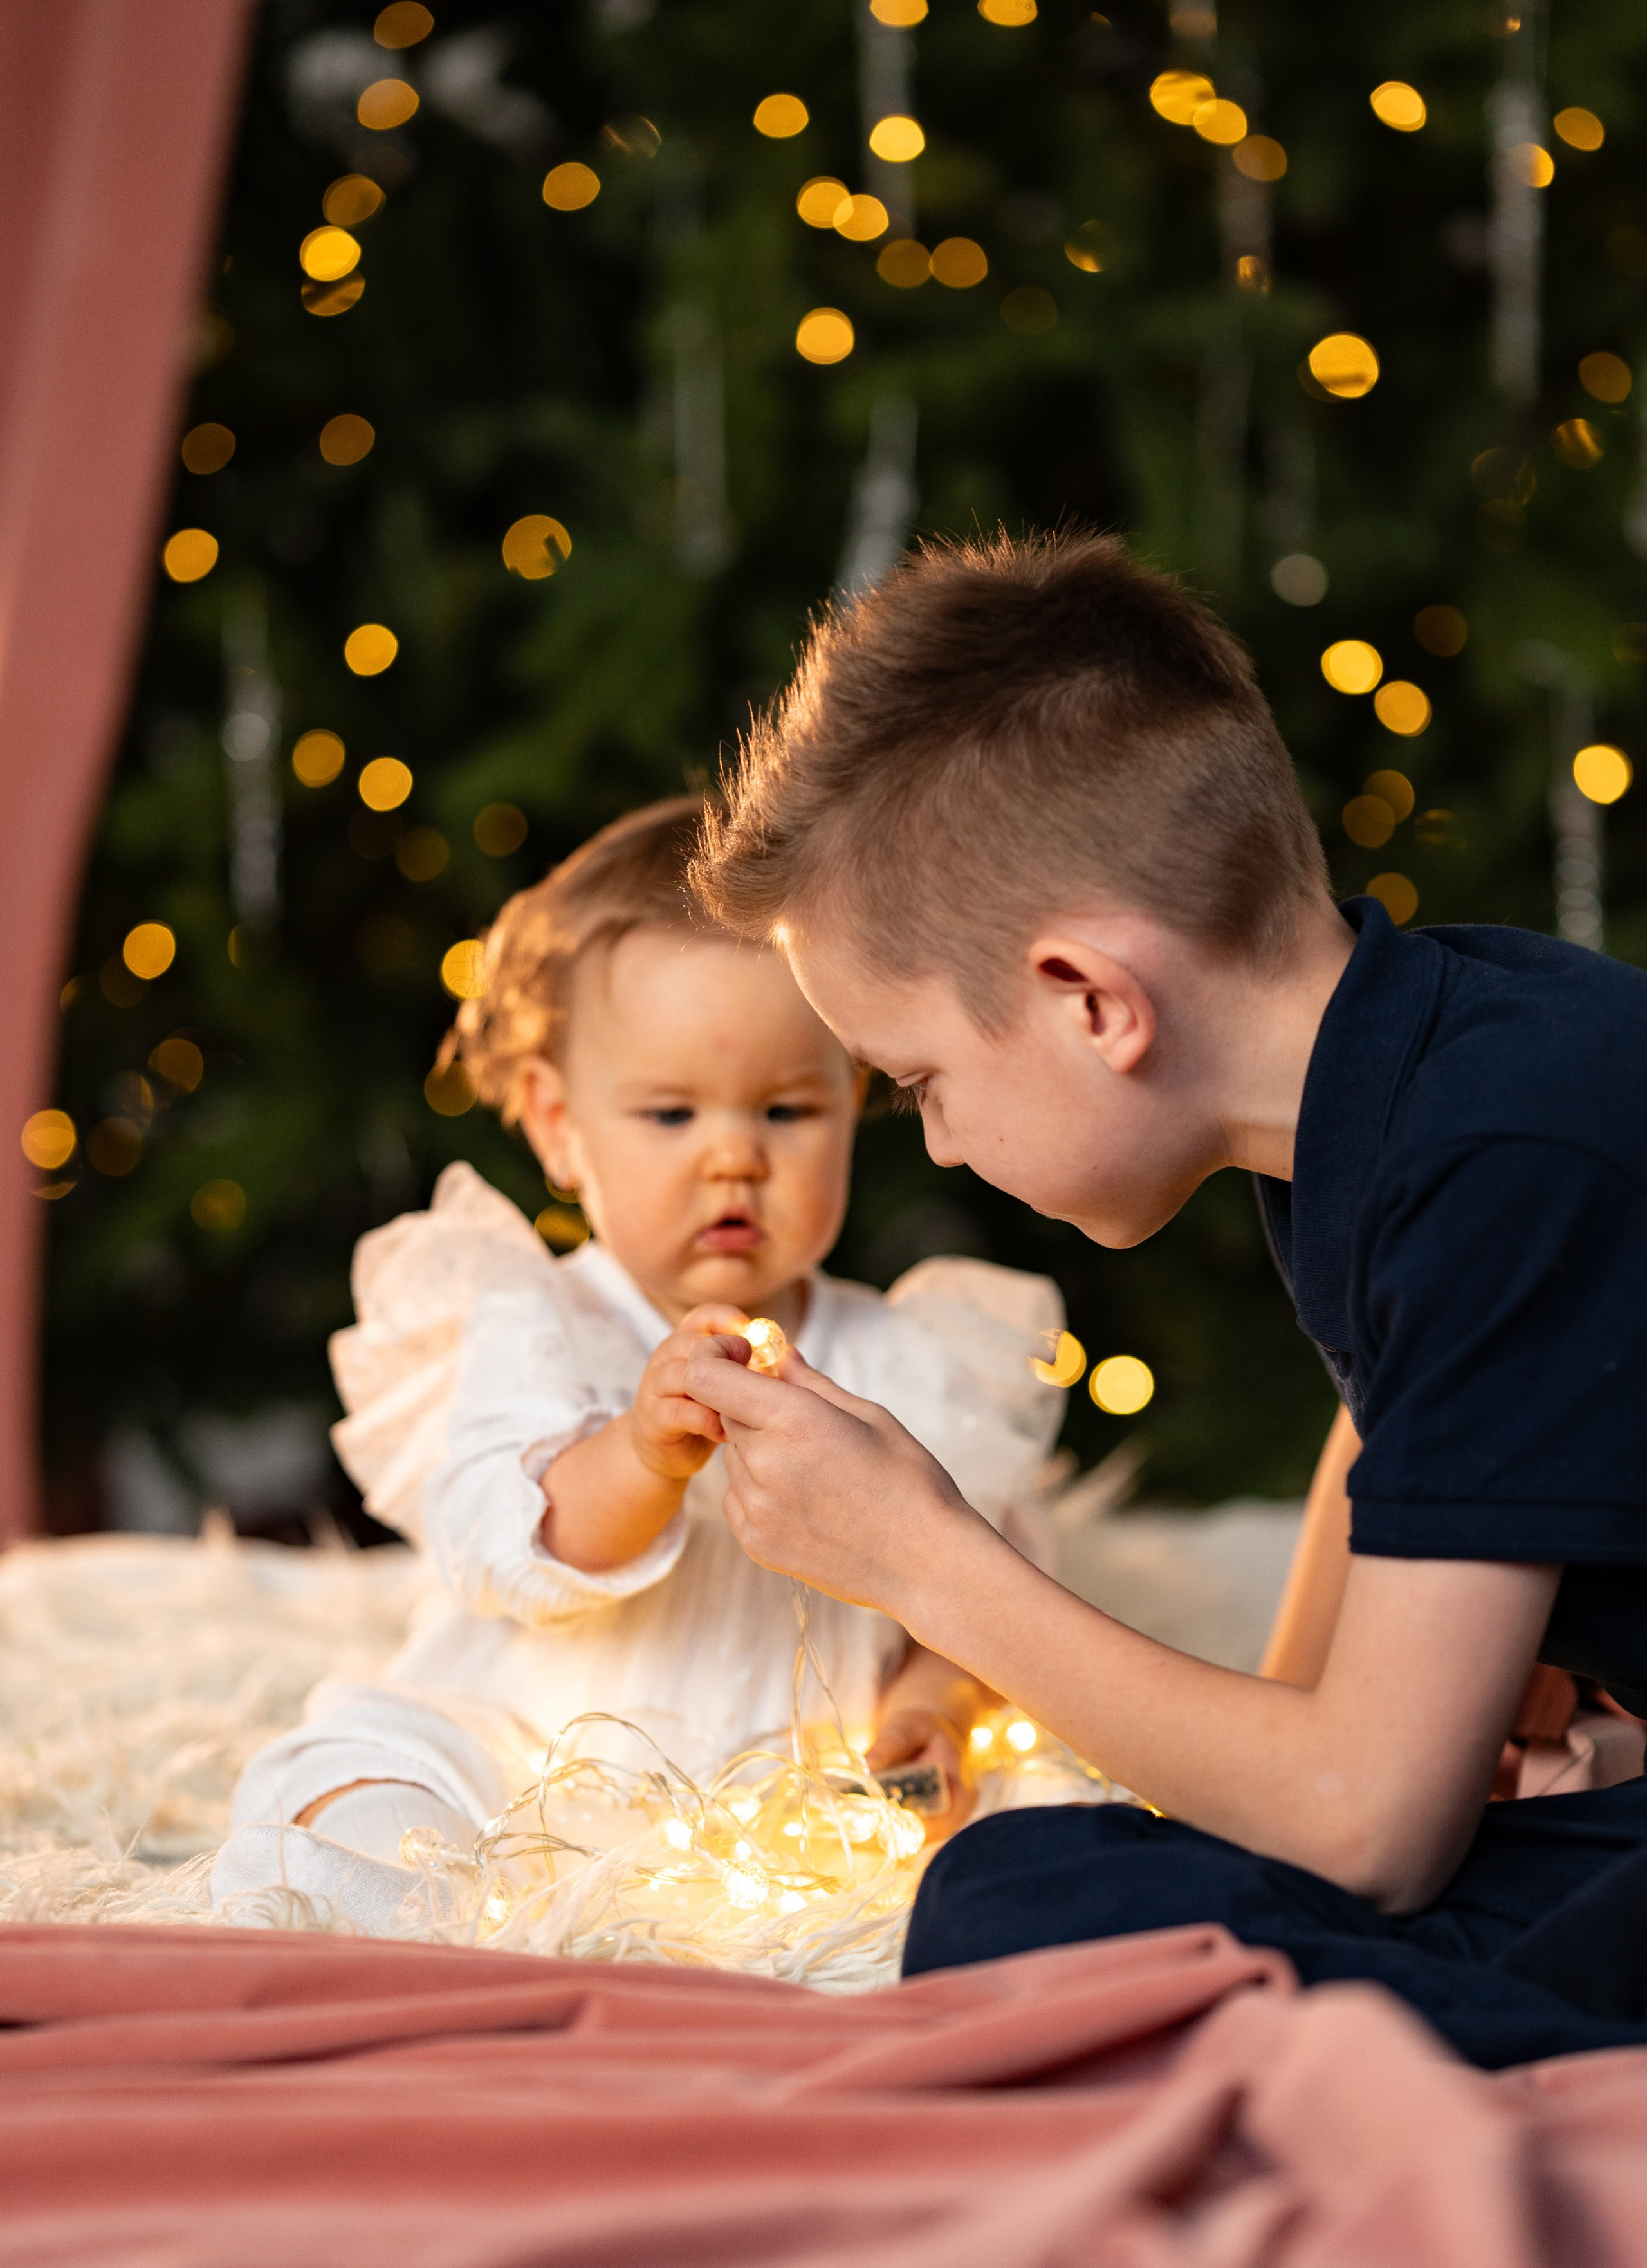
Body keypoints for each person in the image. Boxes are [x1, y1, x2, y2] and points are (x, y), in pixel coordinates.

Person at [681, 531, 1647, 2069]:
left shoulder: (1499, 1151)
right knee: (1050, 1882)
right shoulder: (1400, 1073)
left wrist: (925, 1561)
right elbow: (1380, 1447)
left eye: (920, 1081)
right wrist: (1301, 1756)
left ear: (1090, 1000)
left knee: (1027, 1912)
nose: (931, 1137)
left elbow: (1365, 1831)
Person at [212, 797, 1067, 1928]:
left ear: (853, 1096)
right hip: (524, 1743)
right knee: (354, 1790)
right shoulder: (538, 1321)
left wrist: (933, 1696)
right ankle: (428, 1929)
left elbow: (982, 1576)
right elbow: (507, 1546)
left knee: (1033, 1816)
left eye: (785, 1109)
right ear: (561, 1128)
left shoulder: (908, 1354)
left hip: (790, 1783)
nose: (733, 1159)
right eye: (670, 1115)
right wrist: (641, 1452)